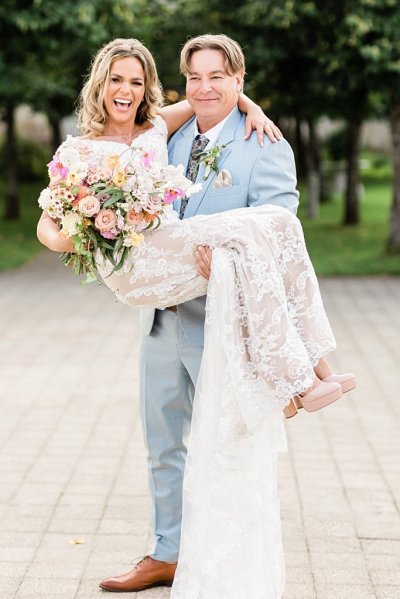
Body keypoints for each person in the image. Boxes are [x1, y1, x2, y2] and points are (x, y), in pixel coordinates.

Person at [37, 36, 355, 598]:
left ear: (237, 77)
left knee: (226, 438)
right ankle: (167, 552)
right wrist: (70, 233)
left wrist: (250, 106)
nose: (204, 88)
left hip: (219, 318)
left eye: (136, 82)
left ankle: (301, 378)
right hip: (158, 313)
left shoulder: (262, 143)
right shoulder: (164, 135)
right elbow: (62, 217)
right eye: (196, 77)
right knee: (163, 442)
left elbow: (277, 225)